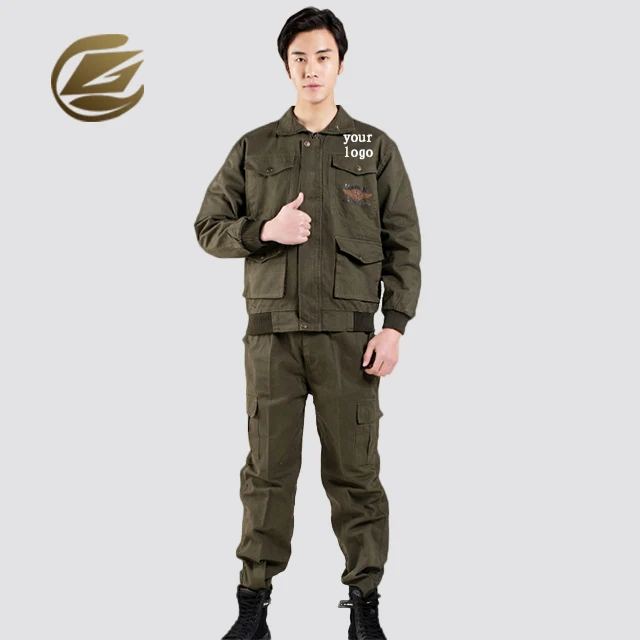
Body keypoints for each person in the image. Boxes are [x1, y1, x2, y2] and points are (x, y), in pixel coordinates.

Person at [194, 7, 421, 639]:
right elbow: (208, 227)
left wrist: (395, 324)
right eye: (300, 58)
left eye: (323, 56)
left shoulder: (372, 147)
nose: (311, 69)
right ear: (286, 65)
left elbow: (404, 242)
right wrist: (265, 230)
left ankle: (365, 605)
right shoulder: (254, 147)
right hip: (272, 338)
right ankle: (253, 608)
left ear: (340, 63)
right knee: (267, 473)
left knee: (356, 474)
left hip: (351, 339)